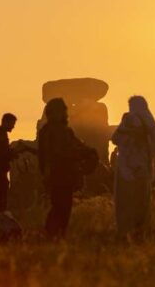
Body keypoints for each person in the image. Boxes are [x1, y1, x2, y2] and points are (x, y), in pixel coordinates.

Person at [38, 98, 90, 240]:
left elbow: (76, 145)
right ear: (55, 112)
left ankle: (55, 235)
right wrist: (80, 154)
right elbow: (60, 152)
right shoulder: (53, 131)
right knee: (61, 206)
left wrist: (86, 151)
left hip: (63, 174)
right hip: (59, 174)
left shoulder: (60, 130)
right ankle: (53, 235)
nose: (66, 114)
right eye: (63, 110)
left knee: (62, 206)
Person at [111, 96, 155, 240]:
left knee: (125, 202)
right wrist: (147, 155)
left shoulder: (128, 119)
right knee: (142, 203)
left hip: (125, 167)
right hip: (143, 168)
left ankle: (125, 234)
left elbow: (114, 138)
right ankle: (141, 233)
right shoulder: (151, 124)